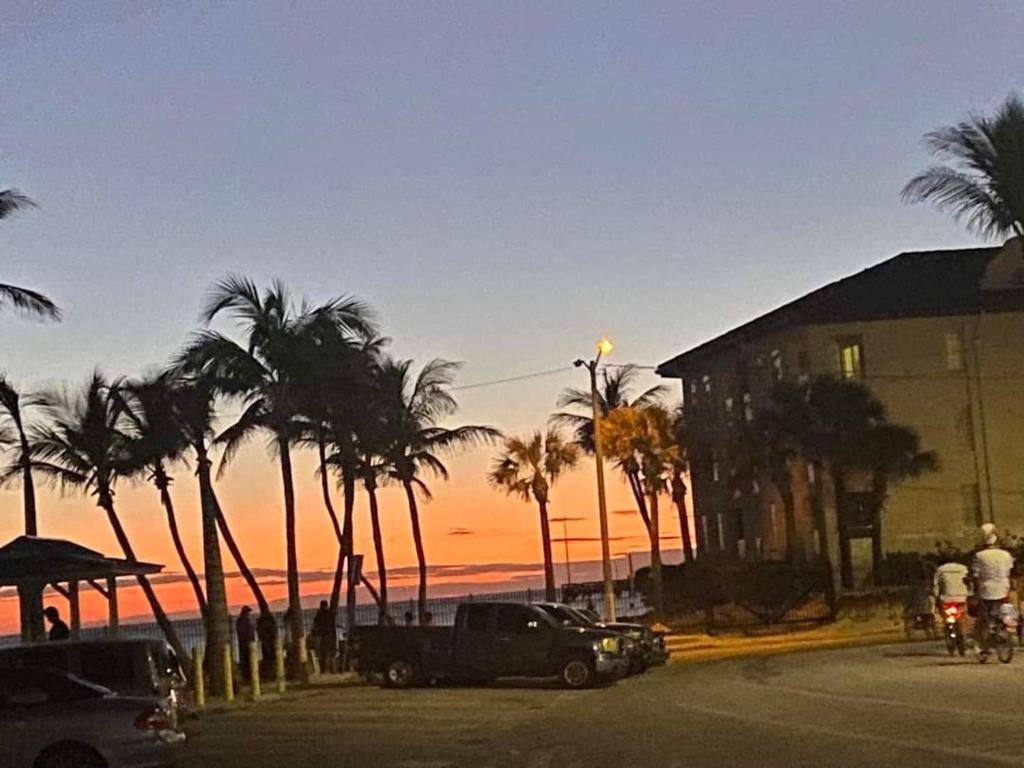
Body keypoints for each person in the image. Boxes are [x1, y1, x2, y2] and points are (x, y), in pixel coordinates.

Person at [970, 524, 1014, 656]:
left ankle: (982, 646)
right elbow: (1010, 571)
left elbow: (976, 575)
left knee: (983, 618)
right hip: (1004, 588)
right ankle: (1008, 628)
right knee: (1007, 611)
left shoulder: (979, 556)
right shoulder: (1006, 555)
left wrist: (975, 593)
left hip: (986, 590)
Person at [312, 600, 336, 673]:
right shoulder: (330, 614)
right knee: (329, 653)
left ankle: (324, 669)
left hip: (323, 636)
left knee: (323, 653)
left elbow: (316, 625)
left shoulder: (319, 615)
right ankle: (331, 669)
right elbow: (332, 625)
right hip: (329, 635)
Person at [256, 608, 278, 677]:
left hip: (267, 641)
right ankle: (269, 673)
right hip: (268, 641)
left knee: (268, 657)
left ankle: (269, 673)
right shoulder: (268, 620)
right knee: (269, 657)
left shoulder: (261, 621)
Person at [236, 606, 255, 679]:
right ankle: (247, 676)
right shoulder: (244, 621)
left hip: (245, 642)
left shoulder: (241, 621)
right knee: (247, 660)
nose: (249, 614)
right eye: (248, 612)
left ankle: (247, 675)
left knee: (246, 660)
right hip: (246, 642)